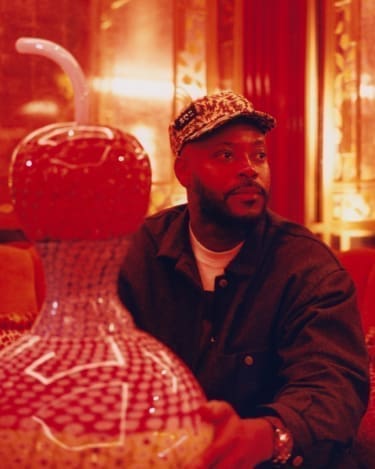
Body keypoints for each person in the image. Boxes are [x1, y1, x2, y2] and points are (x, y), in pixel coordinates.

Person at [118, 90, 369, 468]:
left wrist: (269, 435)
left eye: (259, 154)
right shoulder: (135, 255)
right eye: (226, 154)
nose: (249, 168)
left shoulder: (308, 267)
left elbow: (333, 386)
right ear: (184, 171)